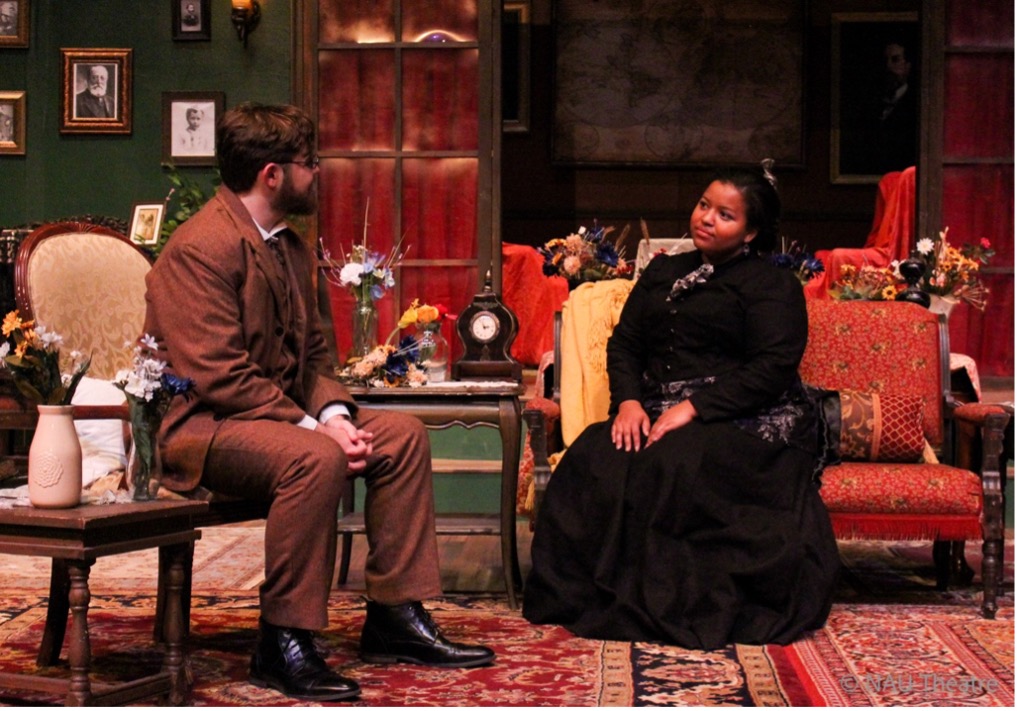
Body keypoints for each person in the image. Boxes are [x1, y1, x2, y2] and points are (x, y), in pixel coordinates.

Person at [143, 102, 495, 702]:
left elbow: (315, 359)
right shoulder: (199, 248)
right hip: (206, 430)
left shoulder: (294, 249)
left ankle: (393, 616)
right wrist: (314, 429)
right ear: (272, 174)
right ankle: (282, 640)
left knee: (402, 437)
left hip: (279, 424)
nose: (319, 174)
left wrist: (332, 413)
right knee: (316, 458)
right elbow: (218, 376)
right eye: (311, 163)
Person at [523, 164, 841, 650]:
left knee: (677, 461)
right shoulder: (664, 270)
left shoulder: (771, 286)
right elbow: (625, 344)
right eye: (704, 205)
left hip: (748, 416)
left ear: (751, 232)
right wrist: (629, 402)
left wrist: (694, 408)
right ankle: (592, 595)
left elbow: (773, 367)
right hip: (654, 405)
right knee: (594, 454)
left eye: (726, 215)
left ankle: (672, 603)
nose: (707, 219)